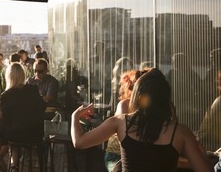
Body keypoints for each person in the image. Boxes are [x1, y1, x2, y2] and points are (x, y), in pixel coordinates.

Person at [71, 68, 210, 172]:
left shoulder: (120, 123)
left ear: (136, 95)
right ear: (165, 98)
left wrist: (74, 117)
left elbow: (79, 142)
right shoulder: (180, 132)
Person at [0, 62, 45, 171]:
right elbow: (42, 107)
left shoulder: (6, 96)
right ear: (23, 75)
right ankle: (14, 166)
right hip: (36, 133)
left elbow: (5, 121)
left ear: (8, 77)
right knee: (16, 131)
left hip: (18, 133)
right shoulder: (33, 90)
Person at [104, 69, 146, 172]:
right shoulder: (124, 105)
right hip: (117, 155)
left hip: (138, 153)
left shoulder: (149, 106)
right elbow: (126, 135)